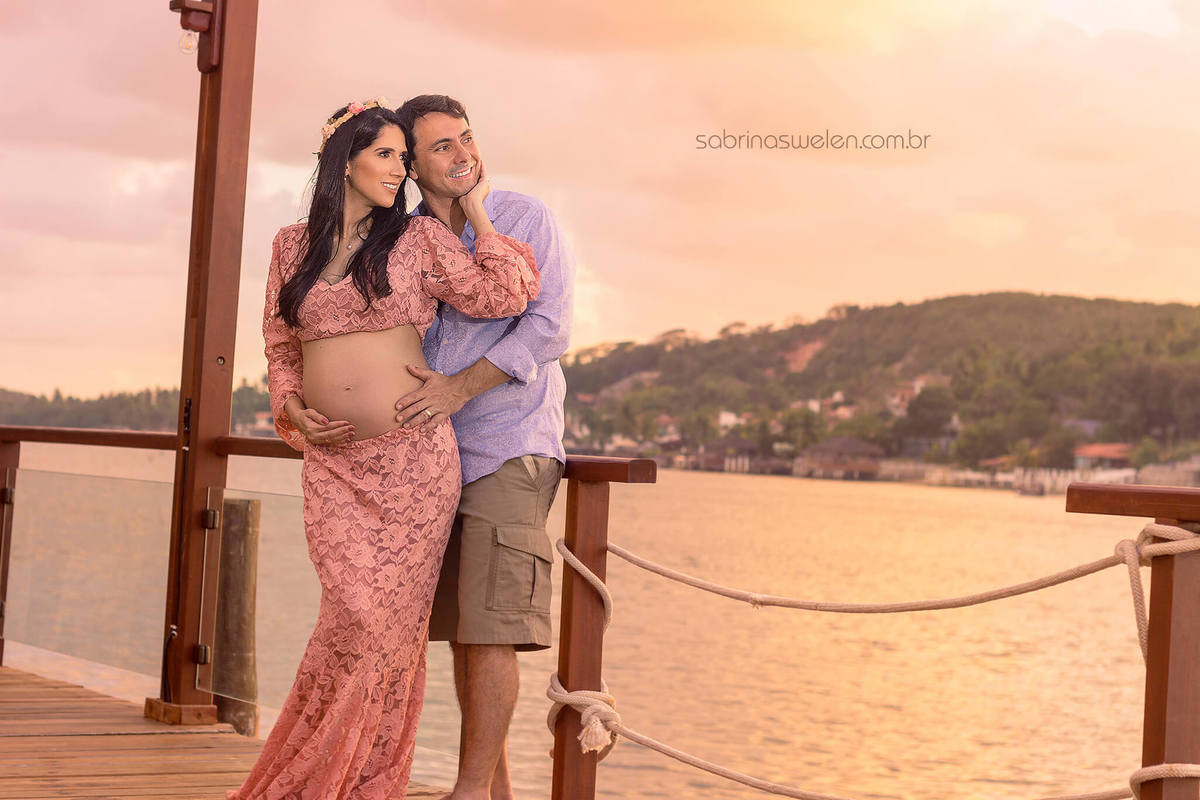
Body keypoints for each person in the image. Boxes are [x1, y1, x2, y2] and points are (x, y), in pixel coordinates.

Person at [227, 99, 539, 800]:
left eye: (404, 157)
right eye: (386, 155)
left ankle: (364, 781)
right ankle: (317, 776)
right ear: (345, 161)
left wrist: (477, 209)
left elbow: (506, 293)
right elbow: (280, 345)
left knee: (383, 630)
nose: (400, 169)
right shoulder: (290, 246)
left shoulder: (418, 239)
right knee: (348, 619)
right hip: (334, 467)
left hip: (413, 465)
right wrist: (291, 408)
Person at [393, 95, 575, 800]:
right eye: (442, 146)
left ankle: (467, 793)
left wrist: (459, 390)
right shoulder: (403, 240)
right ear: (412, 166)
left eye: (466, 137)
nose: (463, 153)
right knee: (463, 631)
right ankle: (490, 792)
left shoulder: (526, 218)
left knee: (492, 630)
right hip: (431, 458)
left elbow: (549, 328)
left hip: (509, 446)